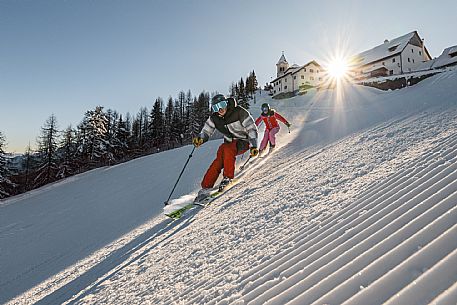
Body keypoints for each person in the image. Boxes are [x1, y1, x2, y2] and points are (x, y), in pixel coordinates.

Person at [192, 94, 259, 201]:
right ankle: (206, 187)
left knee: (227, 148)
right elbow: (206, 131)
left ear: (226, 103)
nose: (220, 109)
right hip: (229, 144)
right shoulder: (214, 118)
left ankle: (228, 178)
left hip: (244, 141)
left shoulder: (239, 112)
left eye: (222, 105)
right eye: (215, 107)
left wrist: (254, 145)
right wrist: (201, 138)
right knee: (220, 155)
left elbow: (251, 128)